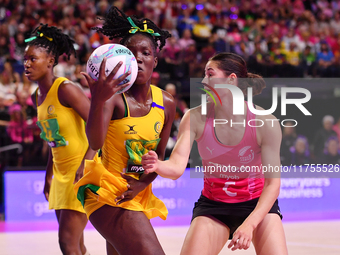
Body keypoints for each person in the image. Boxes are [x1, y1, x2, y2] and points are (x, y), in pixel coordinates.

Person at [142, 52, 288, 254]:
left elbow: (273, 184)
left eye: (210, 74)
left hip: (256, 205)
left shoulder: (265, 122)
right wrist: (158, 165)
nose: (203, 81)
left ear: (231, 79)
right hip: (213, 206)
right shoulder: (194, 117)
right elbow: (176, 167)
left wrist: (249, 224)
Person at [74, 7, 175, 255]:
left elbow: (158, 159)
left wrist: (142, 184)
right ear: (123, 59)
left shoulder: (167, 103)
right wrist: (98, 100)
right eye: (132, 53)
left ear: (155, 60)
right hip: (108, 193)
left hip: (137, 193)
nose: (139, 58)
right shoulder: (114, 99)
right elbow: (95, 142)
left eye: (146, 53)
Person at [24, 24, 95, 255]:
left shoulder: (65, 88)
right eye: (25, 59)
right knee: (77, 245)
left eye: (33, 59)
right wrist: (48, 172)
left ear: (50, 61)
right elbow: (52, 139)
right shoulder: (37, 96)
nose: (27, 64)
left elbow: (99, 125)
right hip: (60, 174)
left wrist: (88, 162)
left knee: (67, 242)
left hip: (81, 171)